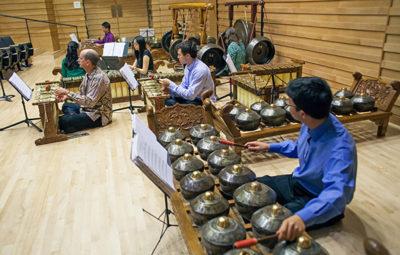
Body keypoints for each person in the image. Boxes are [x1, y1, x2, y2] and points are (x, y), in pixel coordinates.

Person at [245, 77, 357, 241]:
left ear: (301, 113)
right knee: (253, 189)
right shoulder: (314, 119)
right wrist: (269, 147)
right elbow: (300, 147)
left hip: (318, 197)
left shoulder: (340, 149)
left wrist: (302, 218)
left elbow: (337, 196)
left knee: (275, 224)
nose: (287, 107)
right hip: (298, 181)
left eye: (289, 104)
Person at [55, 49, 112, 133]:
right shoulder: (88, 73)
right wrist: (67, 96)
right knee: (66, 105)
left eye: (80, 58)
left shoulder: (99, 78)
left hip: (98, 115)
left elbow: (89, 102)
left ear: (88, 62)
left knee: (63, 120)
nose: (78, 60)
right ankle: (75, 121)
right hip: (86, 109)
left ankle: (73, 122)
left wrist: (67, 92)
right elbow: (83, 95)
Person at [159, 40, 215, 106]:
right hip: (193, 98)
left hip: (202, 101)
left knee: (171, 103)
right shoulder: (188, 66)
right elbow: (183, 87)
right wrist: (170, 90)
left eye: (179, 55)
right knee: (166, 99)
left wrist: (171, 84)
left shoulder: (200, 70)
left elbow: (190, 95)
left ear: (188, 56)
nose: (177, 57)